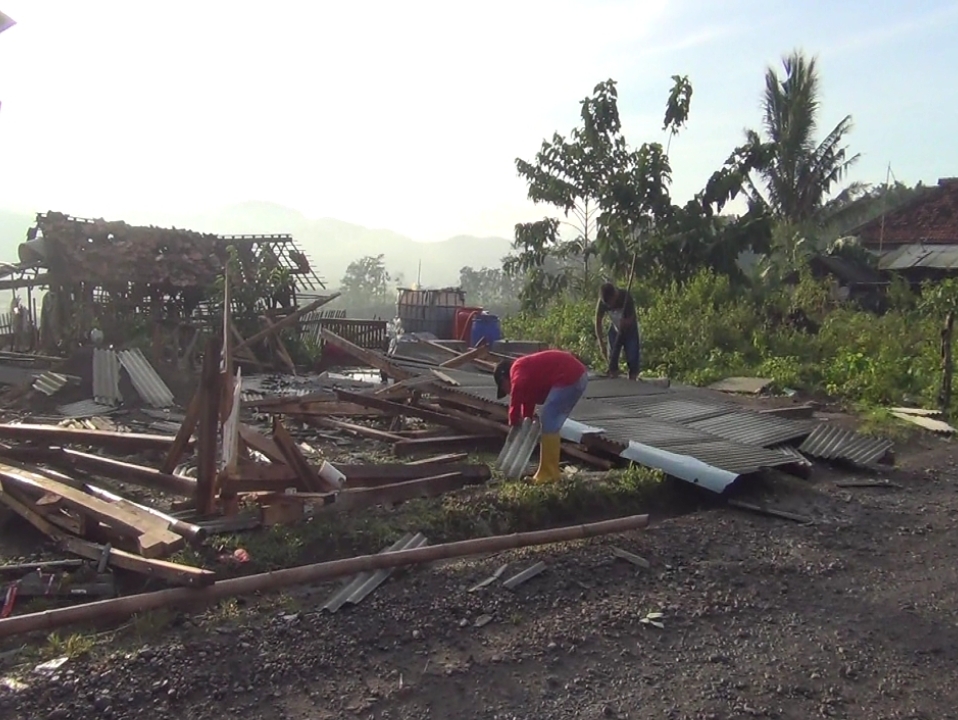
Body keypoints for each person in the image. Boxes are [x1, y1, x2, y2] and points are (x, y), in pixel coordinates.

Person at [493, 350, 588, 485]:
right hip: (576, 376)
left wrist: (513, 417)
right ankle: (549, 471)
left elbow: (518, 386)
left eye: (505, 389)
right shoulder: (526, 371)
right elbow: (528, 399)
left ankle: (549, 473)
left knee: (549, 420)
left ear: (504, 378)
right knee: (551, 423)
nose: (508, 393)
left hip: (569, 376)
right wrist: (526, 417)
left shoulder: (517, 367)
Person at [594, 282, 640, 380]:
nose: (610, 305)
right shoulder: (603, 302)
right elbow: (598, 322)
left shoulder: (625, 297)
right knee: (612, 357)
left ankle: (633, 377)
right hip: (615, 328)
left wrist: (624, 323)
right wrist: (601, 343)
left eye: (611, 302)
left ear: (615, 294)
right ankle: (613, 373)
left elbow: (632, 318)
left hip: (629, 329)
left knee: (632, 355)